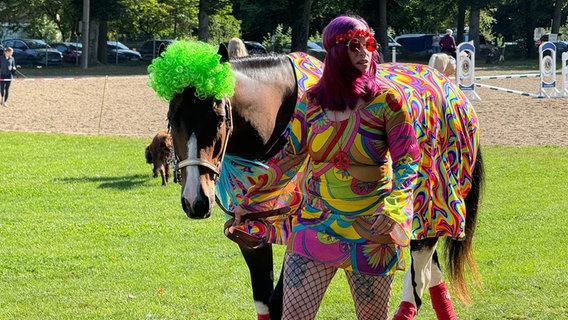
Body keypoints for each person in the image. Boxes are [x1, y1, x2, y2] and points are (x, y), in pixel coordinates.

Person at [232, 15, 420, 319]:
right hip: (316, 223)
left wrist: (397, 207)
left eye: (368, 44)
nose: (364, 52)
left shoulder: (388, 100)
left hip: (371, 228)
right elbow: (289, 157)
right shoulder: (312, 102)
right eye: (354, 46)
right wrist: (250, 202)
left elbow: (408, 161)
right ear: (334, 52)